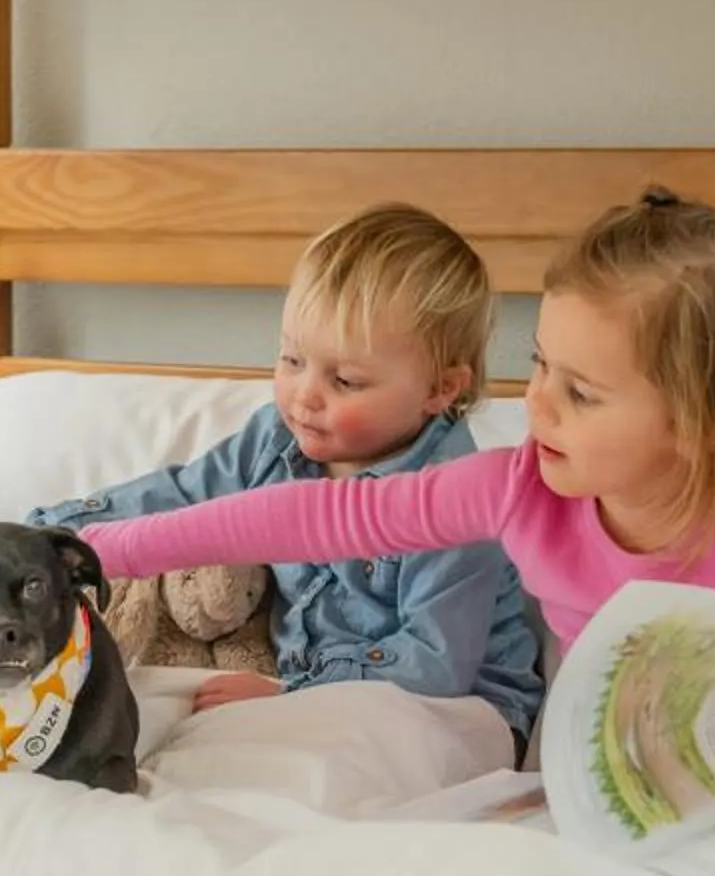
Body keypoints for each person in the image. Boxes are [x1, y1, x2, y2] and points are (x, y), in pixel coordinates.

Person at [71, 188, 715, 724]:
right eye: (542, 366)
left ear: (700, 422)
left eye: (581, 393)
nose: (536, 405)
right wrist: (94, 552)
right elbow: (308, 518)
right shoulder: (520, 489)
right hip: (631, 771)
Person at [32, 203, 541, 752]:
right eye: (291, 360)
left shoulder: (455, 504)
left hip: (453, 713)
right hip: (295, 689)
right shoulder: (275, 440)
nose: (304, 395)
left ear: (440, 390)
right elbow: (180, 499)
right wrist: (50, 538)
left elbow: (435, 665)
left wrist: (297, 693)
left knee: (311, 769)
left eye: (345, 380)